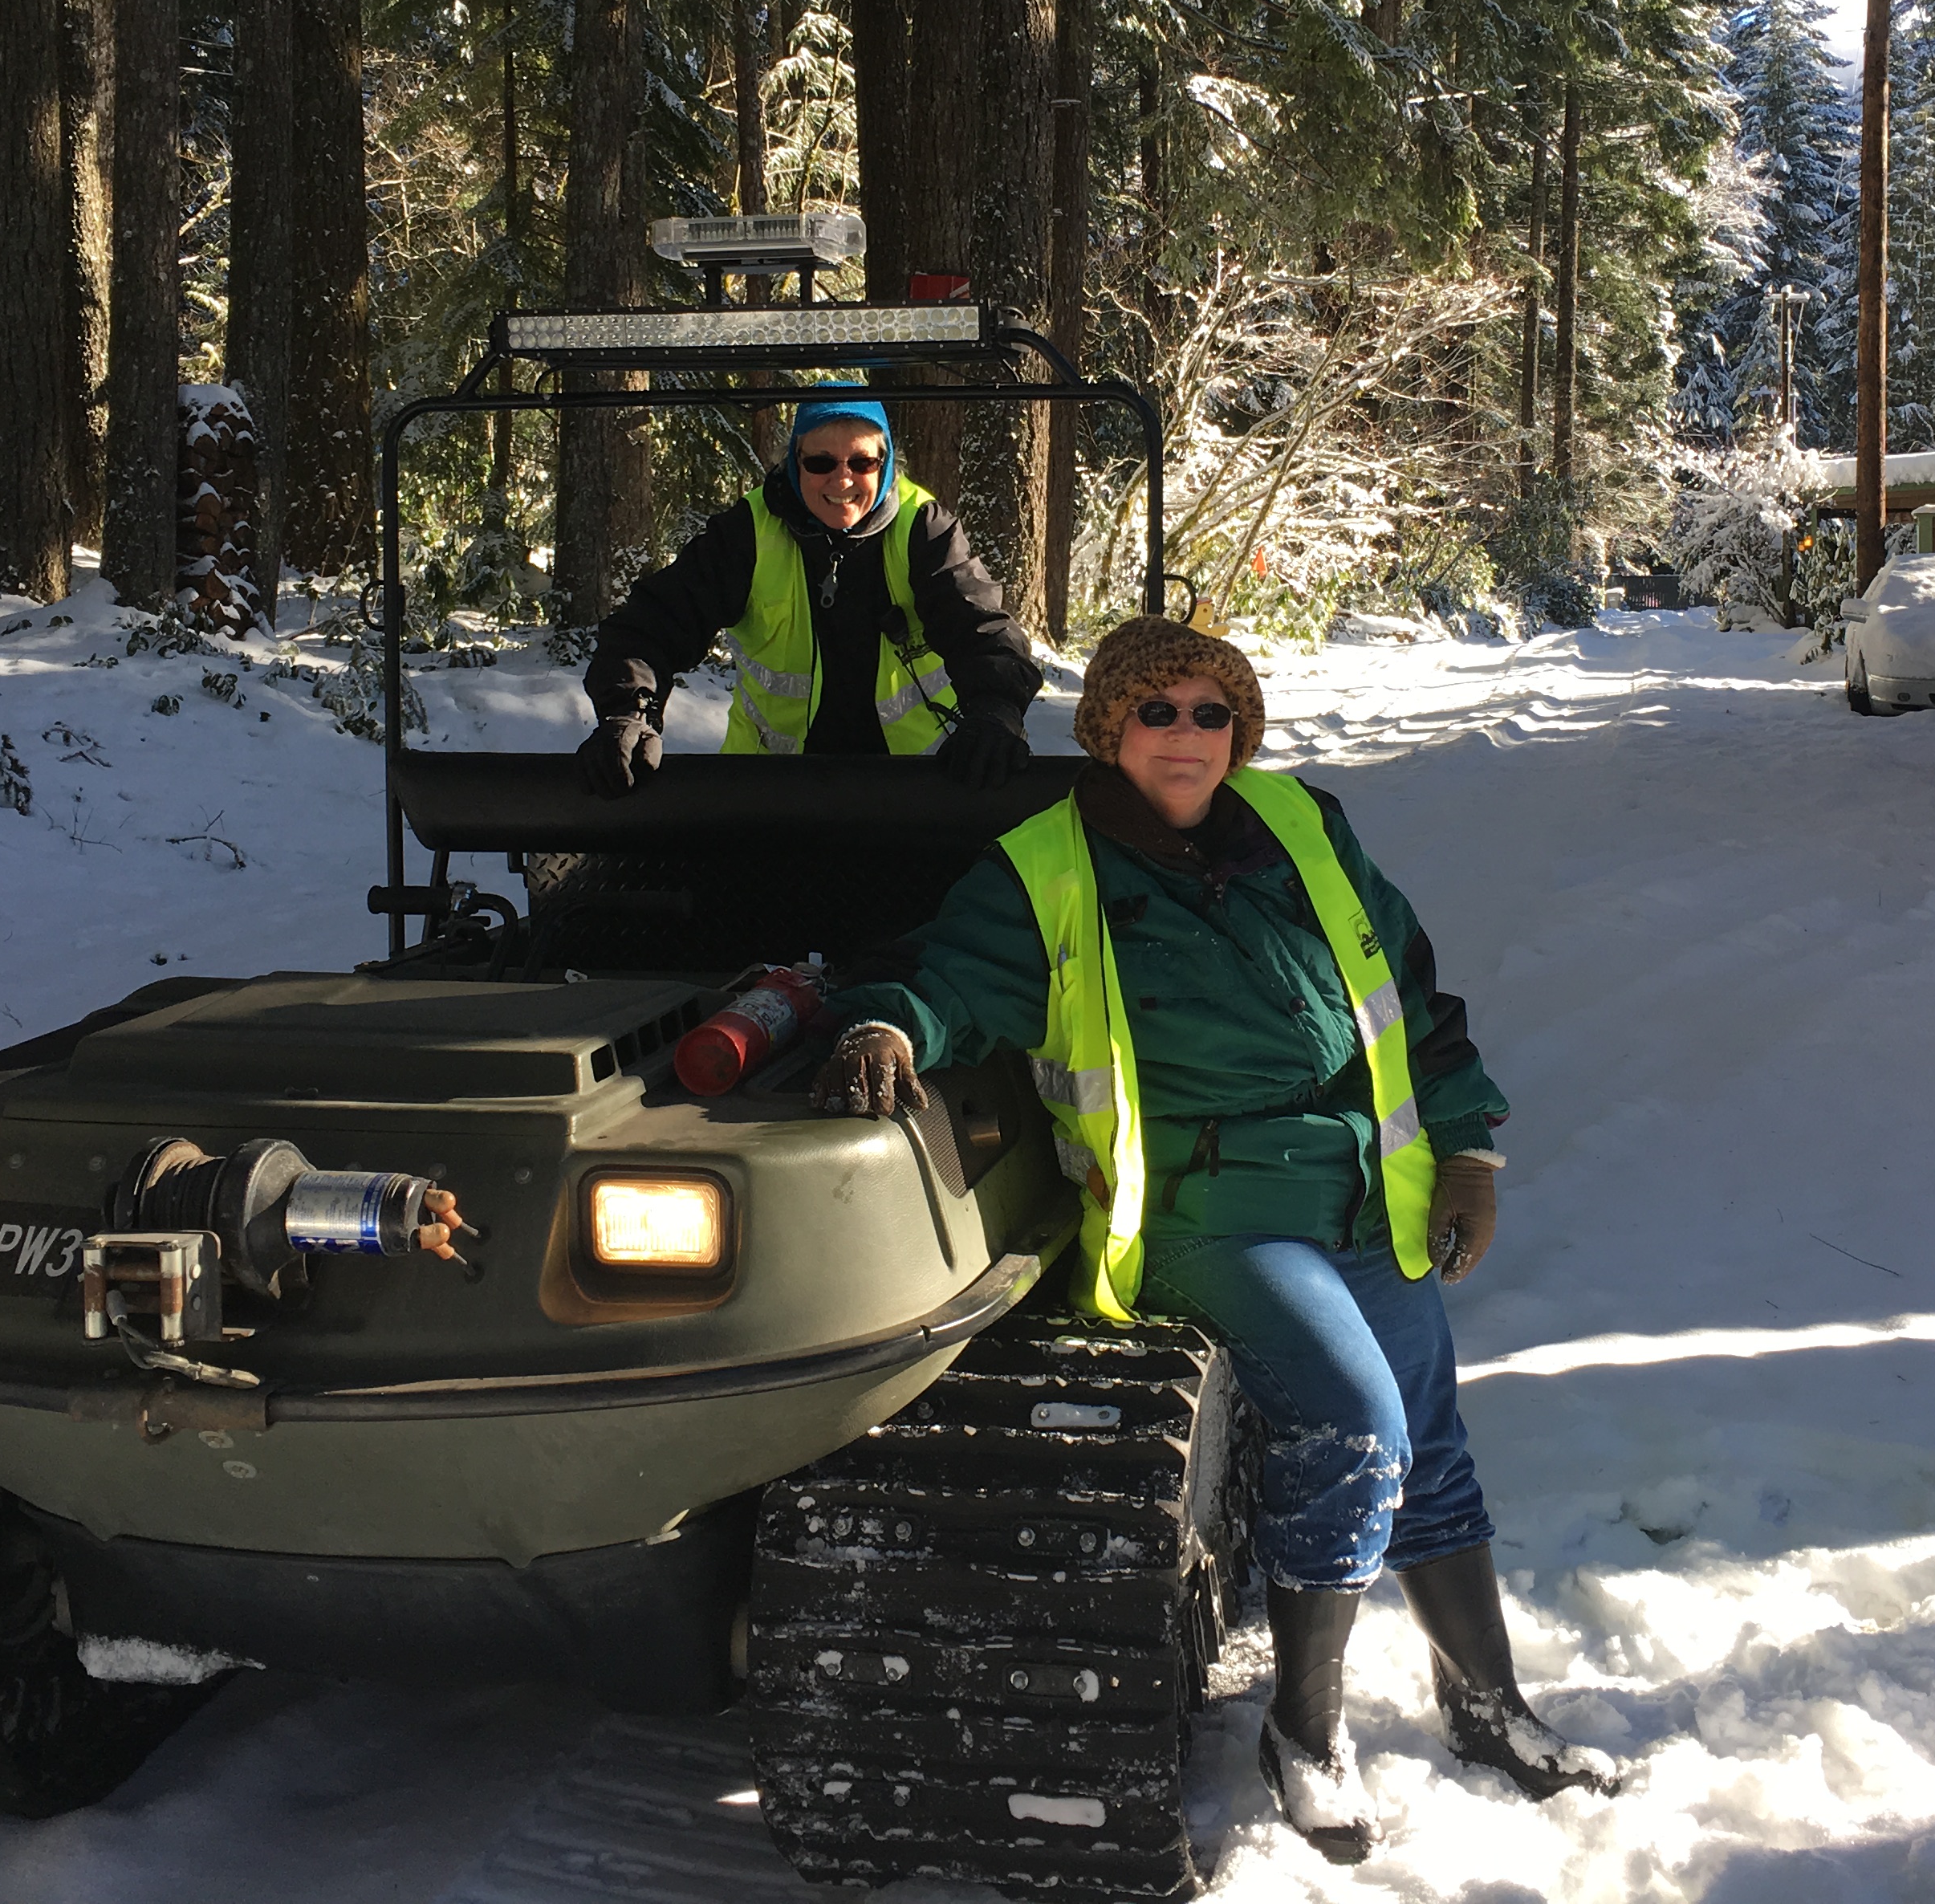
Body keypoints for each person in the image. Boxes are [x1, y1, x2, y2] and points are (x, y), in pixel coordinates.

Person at [808, 614, 1618, 1860]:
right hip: (1208, 1209)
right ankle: (1305, 1733)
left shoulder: (1303, 826)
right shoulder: (1046, 867)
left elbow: (1407, 992)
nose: (1186, 736)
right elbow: (951, 978)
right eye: (1155, 712)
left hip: (1359, 1192)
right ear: (1109, 730)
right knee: (1359, 1427)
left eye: (1210, 713)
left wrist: (1465, 1149)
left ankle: (1489, 1704)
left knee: (1433, 1449)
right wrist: (890, 1027)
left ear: (1239, 729)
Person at [574, 391, 1039, 792]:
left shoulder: (923, 528)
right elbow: (653, 623)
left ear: (886, 463)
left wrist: (996, 711)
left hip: (910, 791)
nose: (842, 480)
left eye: (862, 462)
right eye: (820, 463)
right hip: (768, 793)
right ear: (794, 464)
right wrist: (630, 713)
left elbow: (981, 628)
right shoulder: (748, 533)